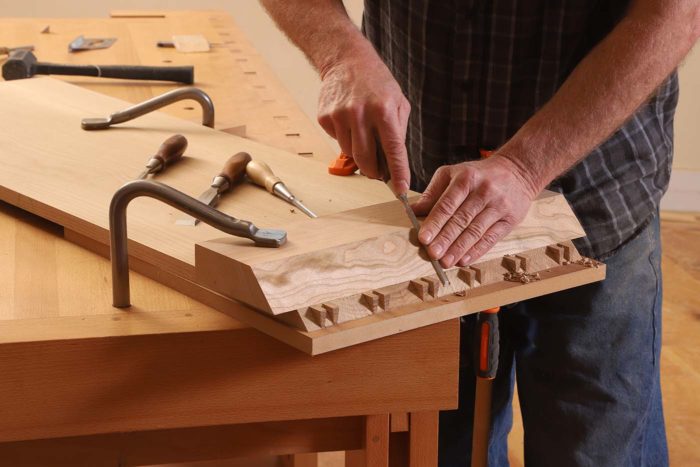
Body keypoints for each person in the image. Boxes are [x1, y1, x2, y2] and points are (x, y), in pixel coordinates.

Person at [262, 1, 699, 465]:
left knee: (595, 450)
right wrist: (339, 55)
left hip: (592, 205)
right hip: (423, 213)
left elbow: (674, 14)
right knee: (428, 452)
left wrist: (526, 166)